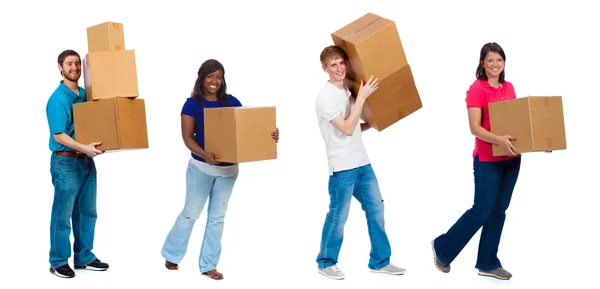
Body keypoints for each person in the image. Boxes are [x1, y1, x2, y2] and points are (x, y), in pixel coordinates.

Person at [431, 42, 551, 280]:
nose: (495, 64)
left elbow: (518, 124)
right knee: (481, 211)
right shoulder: (477, 89)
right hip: (487, 159)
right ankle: (443, 247)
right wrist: (498, 139)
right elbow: (474, 128)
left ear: (504, 63)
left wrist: (540, 141)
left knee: (499, 210)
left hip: (512, 158)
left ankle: (487, 262)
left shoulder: (509, 87)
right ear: (482, 64)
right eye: (490, 60)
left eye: (499, 60)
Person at [161, 59, 279, 280]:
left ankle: (208, 265)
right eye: (210, 76)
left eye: (219, 76)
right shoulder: (192, 104)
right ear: (202, 78)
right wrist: (205, 154)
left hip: (228, 171)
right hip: (201, 168)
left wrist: (270, 135)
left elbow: (247, 129)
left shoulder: (231, 101)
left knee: (217, 218)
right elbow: (187, 138)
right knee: (190, 214)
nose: (215, 81)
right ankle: (172, 254)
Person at [314, 45, 406, 280]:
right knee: (338, 215)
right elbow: (345, 128)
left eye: (342, 63)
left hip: (362, 163)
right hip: (342, 167)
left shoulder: (346, 90)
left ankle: (380, 261)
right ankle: (325, 262)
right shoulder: (325, 98)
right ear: (324, 68)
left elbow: (354, 125)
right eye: (333, 65)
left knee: (376, 209)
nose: (339, 68)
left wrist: (376, 122)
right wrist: (362, 98)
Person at [45, 49, 109, 278]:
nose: (74, 68)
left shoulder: (83, 94)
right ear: (60, 68)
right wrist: (84, 148)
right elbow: (58, 135)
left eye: (77, 64)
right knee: (62, 215)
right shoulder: (57, 99)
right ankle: (58, 261)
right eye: (69, 64)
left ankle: (84, 257)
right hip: (66, 163)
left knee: (88, 212)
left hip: (86, 162)